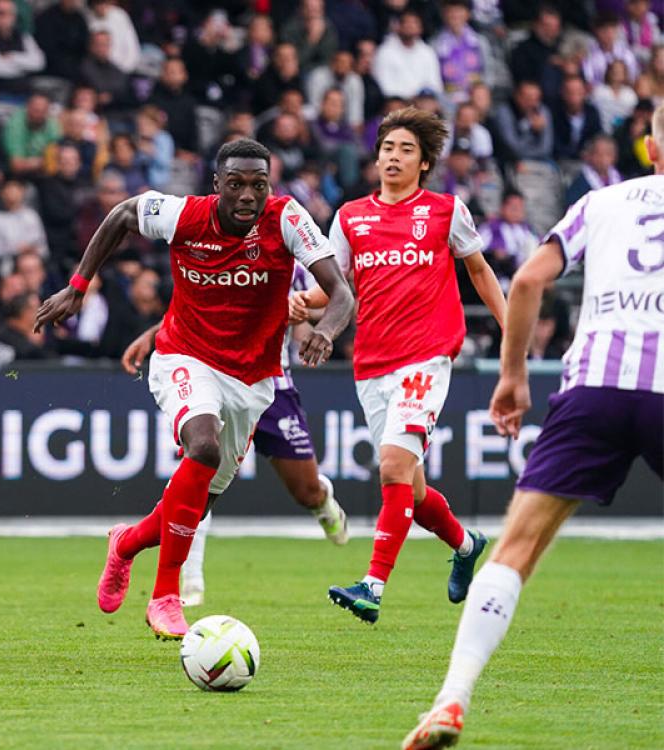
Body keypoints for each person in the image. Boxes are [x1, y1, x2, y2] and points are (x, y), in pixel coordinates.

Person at [401, 102, 664, 750]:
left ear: (650, 148)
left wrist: (513, 376)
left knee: (516, 550)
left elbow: (526, 281)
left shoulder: (600, 204)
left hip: (592, 390)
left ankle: (450, 698)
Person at [34, 138, 355, 639]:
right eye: (236, 185)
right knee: (201, 446)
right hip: (185, 356)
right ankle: (166, 596)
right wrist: (77, 287)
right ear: (216, 186)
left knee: (198, 501)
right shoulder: (183, 215)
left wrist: (326, 331)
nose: (248, 195)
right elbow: (121, 214)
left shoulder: (287, 218)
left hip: (253, 379)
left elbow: (341, 292)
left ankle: (126, 543)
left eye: (258, 184)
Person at [294, 107, 507, 624]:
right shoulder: (349, 217)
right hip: (371, 364)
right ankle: (464, 543)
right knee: (409, 486)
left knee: (390, 466)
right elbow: (334, 289)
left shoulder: (445, 211)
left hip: (427, 356)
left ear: (426, 162)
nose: (393, 157)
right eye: (388, 148)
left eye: (406, 149)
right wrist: (300, 302)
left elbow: (479, 272)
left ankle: (372, 586)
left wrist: (512, 337)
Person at [120, 261, 351, 607]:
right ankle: (190, 582)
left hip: (272, 384)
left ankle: (322, 499)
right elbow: (197, 307)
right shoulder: (223, 248)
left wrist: (300, 305)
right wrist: (154, 333)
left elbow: (335, 295)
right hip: (215, 376)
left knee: (306, 490)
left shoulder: (294, 252)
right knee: (200, 472)